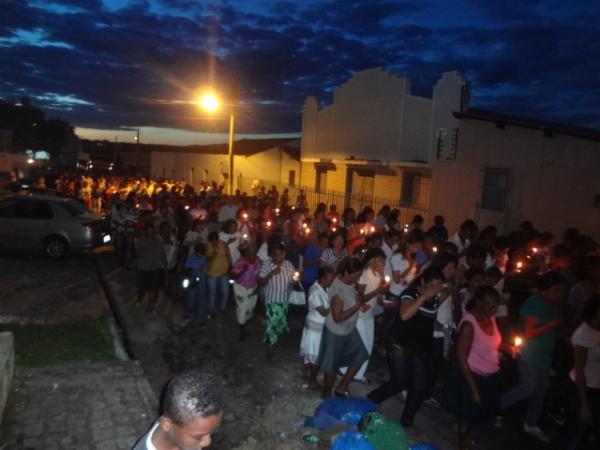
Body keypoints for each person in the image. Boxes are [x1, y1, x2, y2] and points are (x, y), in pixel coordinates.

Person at [367, 267, 445, 429]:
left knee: (419, 387)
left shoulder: (435, 298)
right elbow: (404, 315)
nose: (436, 289)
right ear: (423, 282)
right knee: (399, 383)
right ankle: (370, 400)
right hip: (400, 343)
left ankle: (406, 423)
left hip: (419, 347)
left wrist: (442, 329)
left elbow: (426, 320)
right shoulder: (411, 293)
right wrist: (423, 296)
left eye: (439, 286)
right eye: (433, 285)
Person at [500, 271, 563, 443]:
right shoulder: (533, 304)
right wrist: (551, 324)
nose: (558, 295)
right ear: (543, 291)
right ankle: (496, 407)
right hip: (529, 354)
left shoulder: (552, 304)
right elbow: (528, 333)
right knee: (527, 387)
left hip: (543, 355)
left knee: (541, 388)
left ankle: (532, 422)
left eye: (560, 291)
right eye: (555, 291)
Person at [443, 286, 502, 450]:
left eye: (496, 305)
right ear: (478, 302)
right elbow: (461, 357)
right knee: (467, 414)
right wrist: (474, 389)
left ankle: (467, 438)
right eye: (490, 305)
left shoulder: (491, 319)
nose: (494, 309)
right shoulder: (469, 324)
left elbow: (488, 344)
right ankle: (463, 443)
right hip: (472, 375)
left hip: (489, 375)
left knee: (477, 415)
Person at [317, 258, 370, 398]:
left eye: (359, 276)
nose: (358, 279)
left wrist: (359, 303)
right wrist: (357, 305)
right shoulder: (337, 291)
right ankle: (326, 392)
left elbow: (353, 298)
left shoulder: (348, 280)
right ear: (346, 272)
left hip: (349, 329)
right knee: (332, 366)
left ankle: (342, 387)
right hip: (336, 331)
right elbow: (338, 317)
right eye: (356, 276)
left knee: (361, 356)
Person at [133, 370, 223, 450]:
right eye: (198, 437)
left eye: (211, 432)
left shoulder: (177, 420)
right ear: (167, 424)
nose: (207, 442)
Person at [340, 251, 388, 382]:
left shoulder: (377, 275)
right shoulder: (365, 274)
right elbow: (359, 296)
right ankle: (346, 371)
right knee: (359, 345)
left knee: (368, 345)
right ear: (374, 260)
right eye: (382, 262)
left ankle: (358, 373)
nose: (384, 265)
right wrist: (376, 292)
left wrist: (380, 301)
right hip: (360, 314)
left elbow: (373, 295)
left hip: (369, 315)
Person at [565, 295, 600, 449]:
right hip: (582, 388)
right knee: (576, 432)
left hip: (596, 386)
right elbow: (580, 371)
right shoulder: (583, 334)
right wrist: (584, 404)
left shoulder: (597, 330)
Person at [299, 266, 336, 388]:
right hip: (315, 327)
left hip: (319, 326)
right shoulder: (315, 290)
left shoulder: (325, 288)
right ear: (321, 278)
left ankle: (304, 371)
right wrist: (336, 305)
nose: (331, 280)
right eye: (329, 278)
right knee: (316, 356)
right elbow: (323, 312)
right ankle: (312, 381)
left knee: (313, 354)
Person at [259, 243, 296, 360]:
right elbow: (260, 282)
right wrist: (271, 274)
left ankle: (273, 341)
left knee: (279, 323)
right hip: (272, 300)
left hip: (284, 299)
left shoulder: (289, 264)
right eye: (274, 255)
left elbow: (293, 280)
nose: (276, 258)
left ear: (284, 254)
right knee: (272, 324)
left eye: (279, 255)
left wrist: (295, 279)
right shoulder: (267, 265)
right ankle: (269, 348)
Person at [230, 244, 261, 341]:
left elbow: (259, 276)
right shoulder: (240, 262)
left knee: (250, 309)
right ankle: (242, 330)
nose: (252, 254)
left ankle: (244, 324)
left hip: (253, 288)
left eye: (254, 252)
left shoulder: (257, 262)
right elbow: (233, 276)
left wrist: (258, 287)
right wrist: (242, 271)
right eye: (250, 252)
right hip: (241, 288)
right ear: (246, 253)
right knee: (242, 308)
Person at [135, 223, 167, 312]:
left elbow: (162, 253)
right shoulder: (140, 240)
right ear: (145, 232)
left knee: (153, 288)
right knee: (142, 288)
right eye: (149, 231)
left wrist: (165, 265)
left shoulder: (158, 240)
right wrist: (148, 246)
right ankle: (139, 299)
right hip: (143, 268)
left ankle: (150, 307)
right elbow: (137, 254)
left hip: (155, 267)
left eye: (152, 231)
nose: (151, 232)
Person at [205, 232, 231, 315]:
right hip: (211, 272)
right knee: (212, 291)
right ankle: (211, 308)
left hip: (223, 271)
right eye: (212, 241)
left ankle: (223, 308)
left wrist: (229, 268)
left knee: (225, 291)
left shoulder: (223, 245)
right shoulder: (207, 246)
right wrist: (213, 254)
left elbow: (228, 257)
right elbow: (206, 259)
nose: (214, 242)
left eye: (216, 240)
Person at [183, 243, 208, 326]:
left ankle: (200, 319)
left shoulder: (205, 258)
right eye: (199, 251)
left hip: (202, 280)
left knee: (201, 300)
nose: (200, 253)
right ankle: (189, 315)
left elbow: (207, 269)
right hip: (193, 279)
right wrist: (195, 270)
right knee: (191, 298)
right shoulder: (191, 258)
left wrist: (204, 268)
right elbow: (186, 269)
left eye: (202, 251)